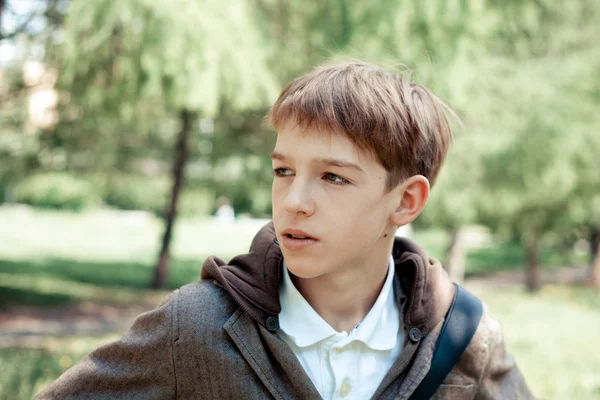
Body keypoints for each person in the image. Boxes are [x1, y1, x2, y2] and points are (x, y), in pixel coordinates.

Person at [35, 62, 534, 399]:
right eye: (283, 171)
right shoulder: (195, 326)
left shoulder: (466, 337)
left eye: (333, 177)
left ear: (406, 201)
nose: (293, 202)